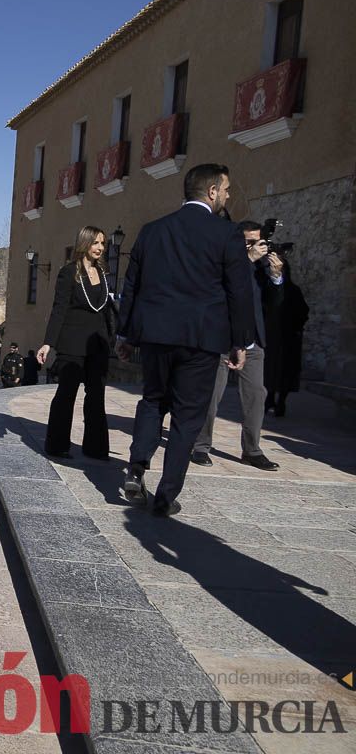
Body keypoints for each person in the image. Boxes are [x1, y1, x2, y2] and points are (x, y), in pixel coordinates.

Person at [118, 164, 254, 516]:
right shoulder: (226, 235)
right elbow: (239, 292)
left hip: (155, 335)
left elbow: (131, 286)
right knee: (187, 417)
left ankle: (136, 467)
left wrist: (126, 334)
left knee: (152, 400)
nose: (227, 196)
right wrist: (241, 341)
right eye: (225, 190)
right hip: (201, 339)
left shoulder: (152, 231)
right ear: (211, 192)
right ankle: (166, 495)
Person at [192, 220, 284, 471]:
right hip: (221, 339)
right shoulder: (224, 263)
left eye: (257, 242)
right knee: (212, 394)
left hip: (252, 341)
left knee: (256, 395)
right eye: (248, 242)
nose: (254, 247)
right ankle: (200, 446)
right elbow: (219, 291)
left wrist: (276, 278)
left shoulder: (260, 267)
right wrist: (247, 259)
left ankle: (252, 450)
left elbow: (272, 305)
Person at [37, 226, 115, 459]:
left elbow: (106, 310)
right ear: (84, 244)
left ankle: (96, 448)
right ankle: (57, 444)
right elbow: (59, 309)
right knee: (66, 393)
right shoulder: (68, 272)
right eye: (96, 243)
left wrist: (113, 338)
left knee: (96, 394)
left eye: (103, 243)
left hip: (97, 343)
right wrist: (48, 343)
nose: (100, 248)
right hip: (72, 343)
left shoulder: (103, 273)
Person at [263, 256, 308, 417]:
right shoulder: (288, 289)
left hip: (284, 337)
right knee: (276, 369)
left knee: (282, 370)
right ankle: (274, 399)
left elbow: (302, 312)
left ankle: (277, 400)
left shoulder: (292, 291)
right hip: (279, 336)